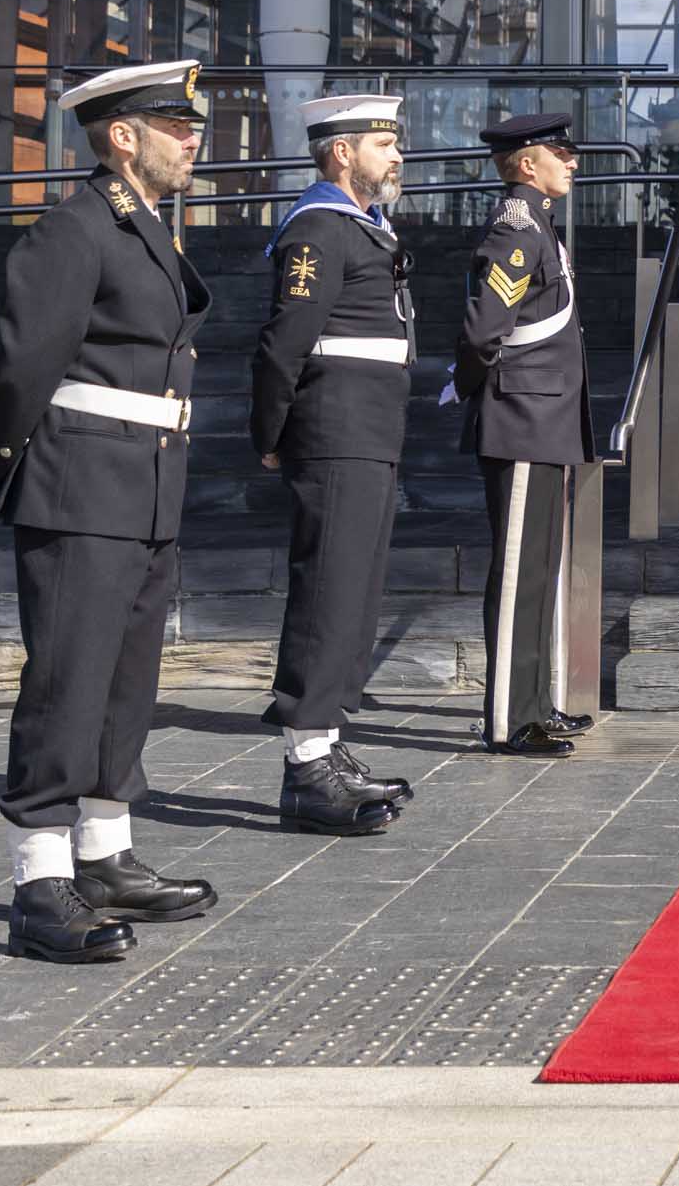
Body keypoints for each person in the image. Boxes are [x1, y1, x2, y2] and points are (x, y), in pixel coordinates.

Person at [0, 58, 216, 963]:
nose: (193, 138)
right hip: (80, 483)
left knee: (125, 681)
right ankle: (40, 882)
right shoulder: (75, 230)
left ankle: (105, 854)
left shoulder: (141, 225)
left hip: (145, 482)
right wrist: (10, 462)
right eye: (175, 125)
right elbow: (21, 367)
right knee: (68, 683)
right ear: (122, 137)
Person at [250, 92, 417, 836]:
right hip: (336, 428)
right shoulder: (319, 227)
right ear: (342, 152)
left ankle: (325, 741)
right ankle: (307, 765)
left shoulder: (363, 226)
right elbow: (285, 340)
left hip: (369, 428)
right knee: (327, 592)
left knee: (353, 591)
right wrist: (270, 429)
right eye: (383, 143)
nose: (397, 155)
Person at [452, 111, 589, 759]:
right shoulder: (517, 226)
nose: (573, 160)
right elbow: (485, 328)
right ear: (529, 163)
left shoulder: (539, 222)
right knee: (517, 576)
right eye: (562, 151)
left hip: (544, 418)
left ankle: (533, 703)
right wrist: (470, 383)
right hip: (522, 417)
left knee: (537, 571)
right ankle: (509, 718)